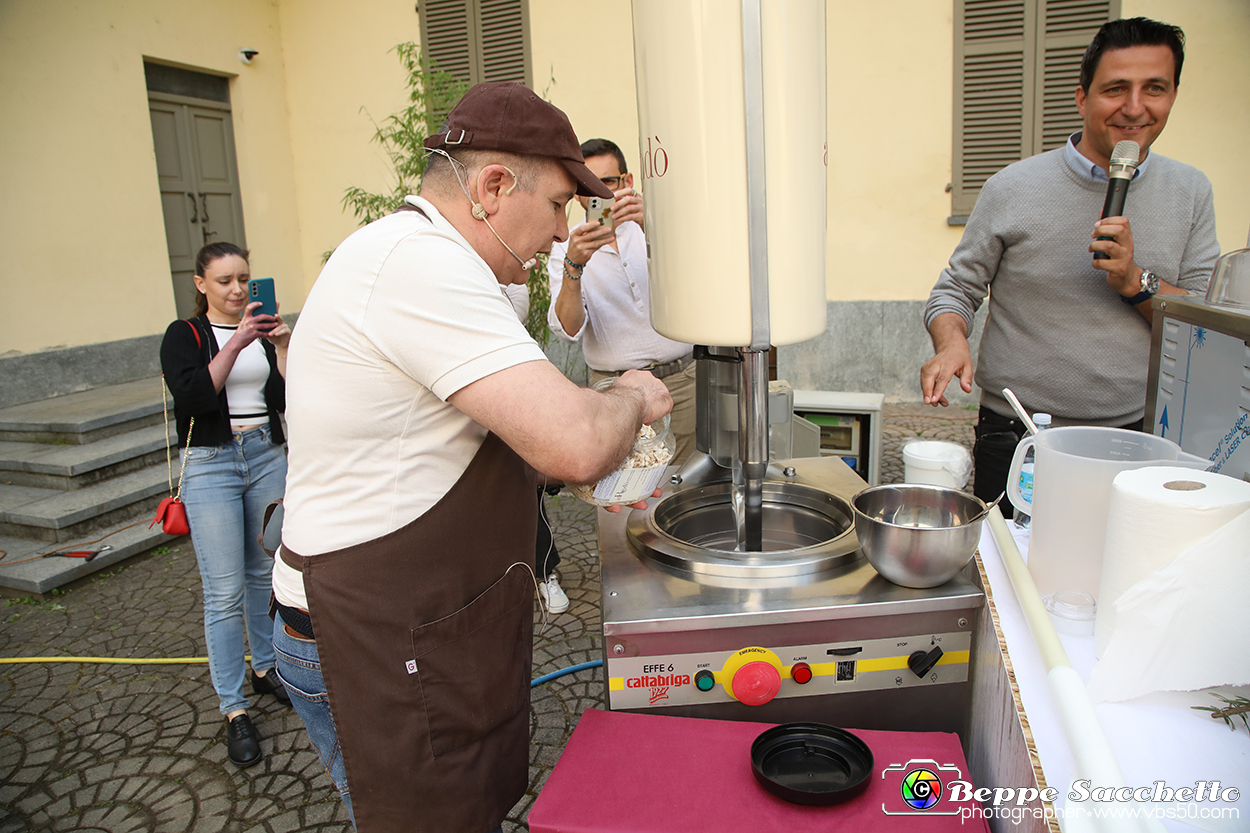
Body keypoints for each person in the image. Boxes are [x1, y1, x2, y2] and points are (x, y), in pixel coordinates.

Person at [270, 82, 672, 832]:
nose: (562, 232)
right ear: (491, 187)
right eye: (556, 205)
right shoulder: (416, 265)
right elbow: (575, 443)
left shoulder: (456, 269)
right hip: (372, 636)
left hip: (421, 623)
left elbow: (514, 439)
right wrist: (633, 397)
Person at [920, 17, 1218, 511]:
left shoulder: (1191, 192)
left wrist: (1136, 281)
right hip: (1019, 435)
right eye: (1116, 88)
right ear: (1082, 98)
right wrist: (951, 343)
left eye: (1155, 89)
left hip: (1135, 436)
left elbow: (1201, 325)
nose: (1135, 107)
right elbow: (955, 291)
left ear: (1173, 96)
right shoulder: (1012, 187)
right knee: (1010, 579)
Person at [159, 242, 292, 768]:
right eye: (224, 282)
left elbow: (285, 397)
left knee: (265, 572)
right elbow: (194, 397)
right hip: (211, 464)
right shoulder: (184, 336)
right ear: (200, 285)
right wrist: (236, 342)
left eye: (244, 279)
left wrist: (280, 347)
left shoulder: (260, 333)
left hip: (264, 454)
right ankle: (234, 709)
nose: (237, 290)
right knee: (223, 592)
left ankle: (265, 669)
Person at [548, 138, 697, 465]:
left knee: (684, 486)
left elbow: (700, 284)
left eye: (608, 182)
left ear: (627, 182)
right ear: (577, 195)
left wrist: (653, 227)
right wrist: (574, 265)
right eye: (588, 187)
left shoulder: (659, 225)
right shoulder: (566, 246)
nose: (600, 194)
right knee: (616, 483)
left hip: (681, 383)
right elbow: (568, 329)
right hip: (612, 390)